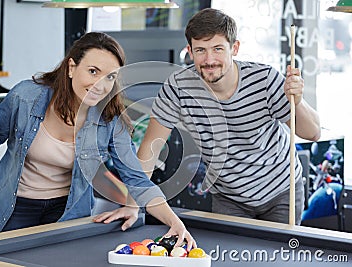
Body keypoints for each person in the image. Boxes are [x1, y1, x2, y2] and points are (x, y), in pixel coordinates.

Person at [94, 8, 321, 226]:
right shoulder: (178, 88)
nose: (209, 59)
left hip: (280, 190)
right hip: (228, 197)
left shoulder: (265, 80)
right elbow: (150, 150)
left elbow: (312, 133)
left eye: (218, 49)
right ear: (190, 52)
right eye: (201, 50)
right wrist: (134, 204)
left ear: (235, 48)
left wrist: (297, 101)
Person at [0, 32, 195, 248]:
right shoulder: (26, 96)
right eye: (93, 71)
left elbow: (137, 179)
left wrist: (173, 221)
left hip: (69, 210)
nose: (100, 85)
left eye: (110, 77)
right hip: (15, 205)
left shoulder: (110, 119)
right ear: (71, 67)